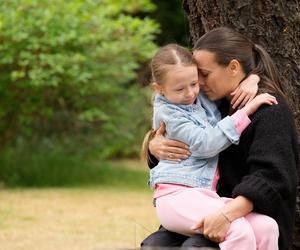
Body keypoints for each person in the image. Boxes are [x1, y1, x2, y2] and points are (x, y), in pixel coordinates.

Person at [141, 27, 299, 250]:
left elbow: (272, 178)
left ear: (234, 68)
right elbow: (188, 142)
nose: (198, 85)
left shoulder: (268, 110)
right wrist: (153, 146)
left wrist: (226, 215)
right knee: (155, 245)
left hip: (244, 215)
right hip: (205, 203)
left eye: (203, 75)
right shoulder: (212, 102)